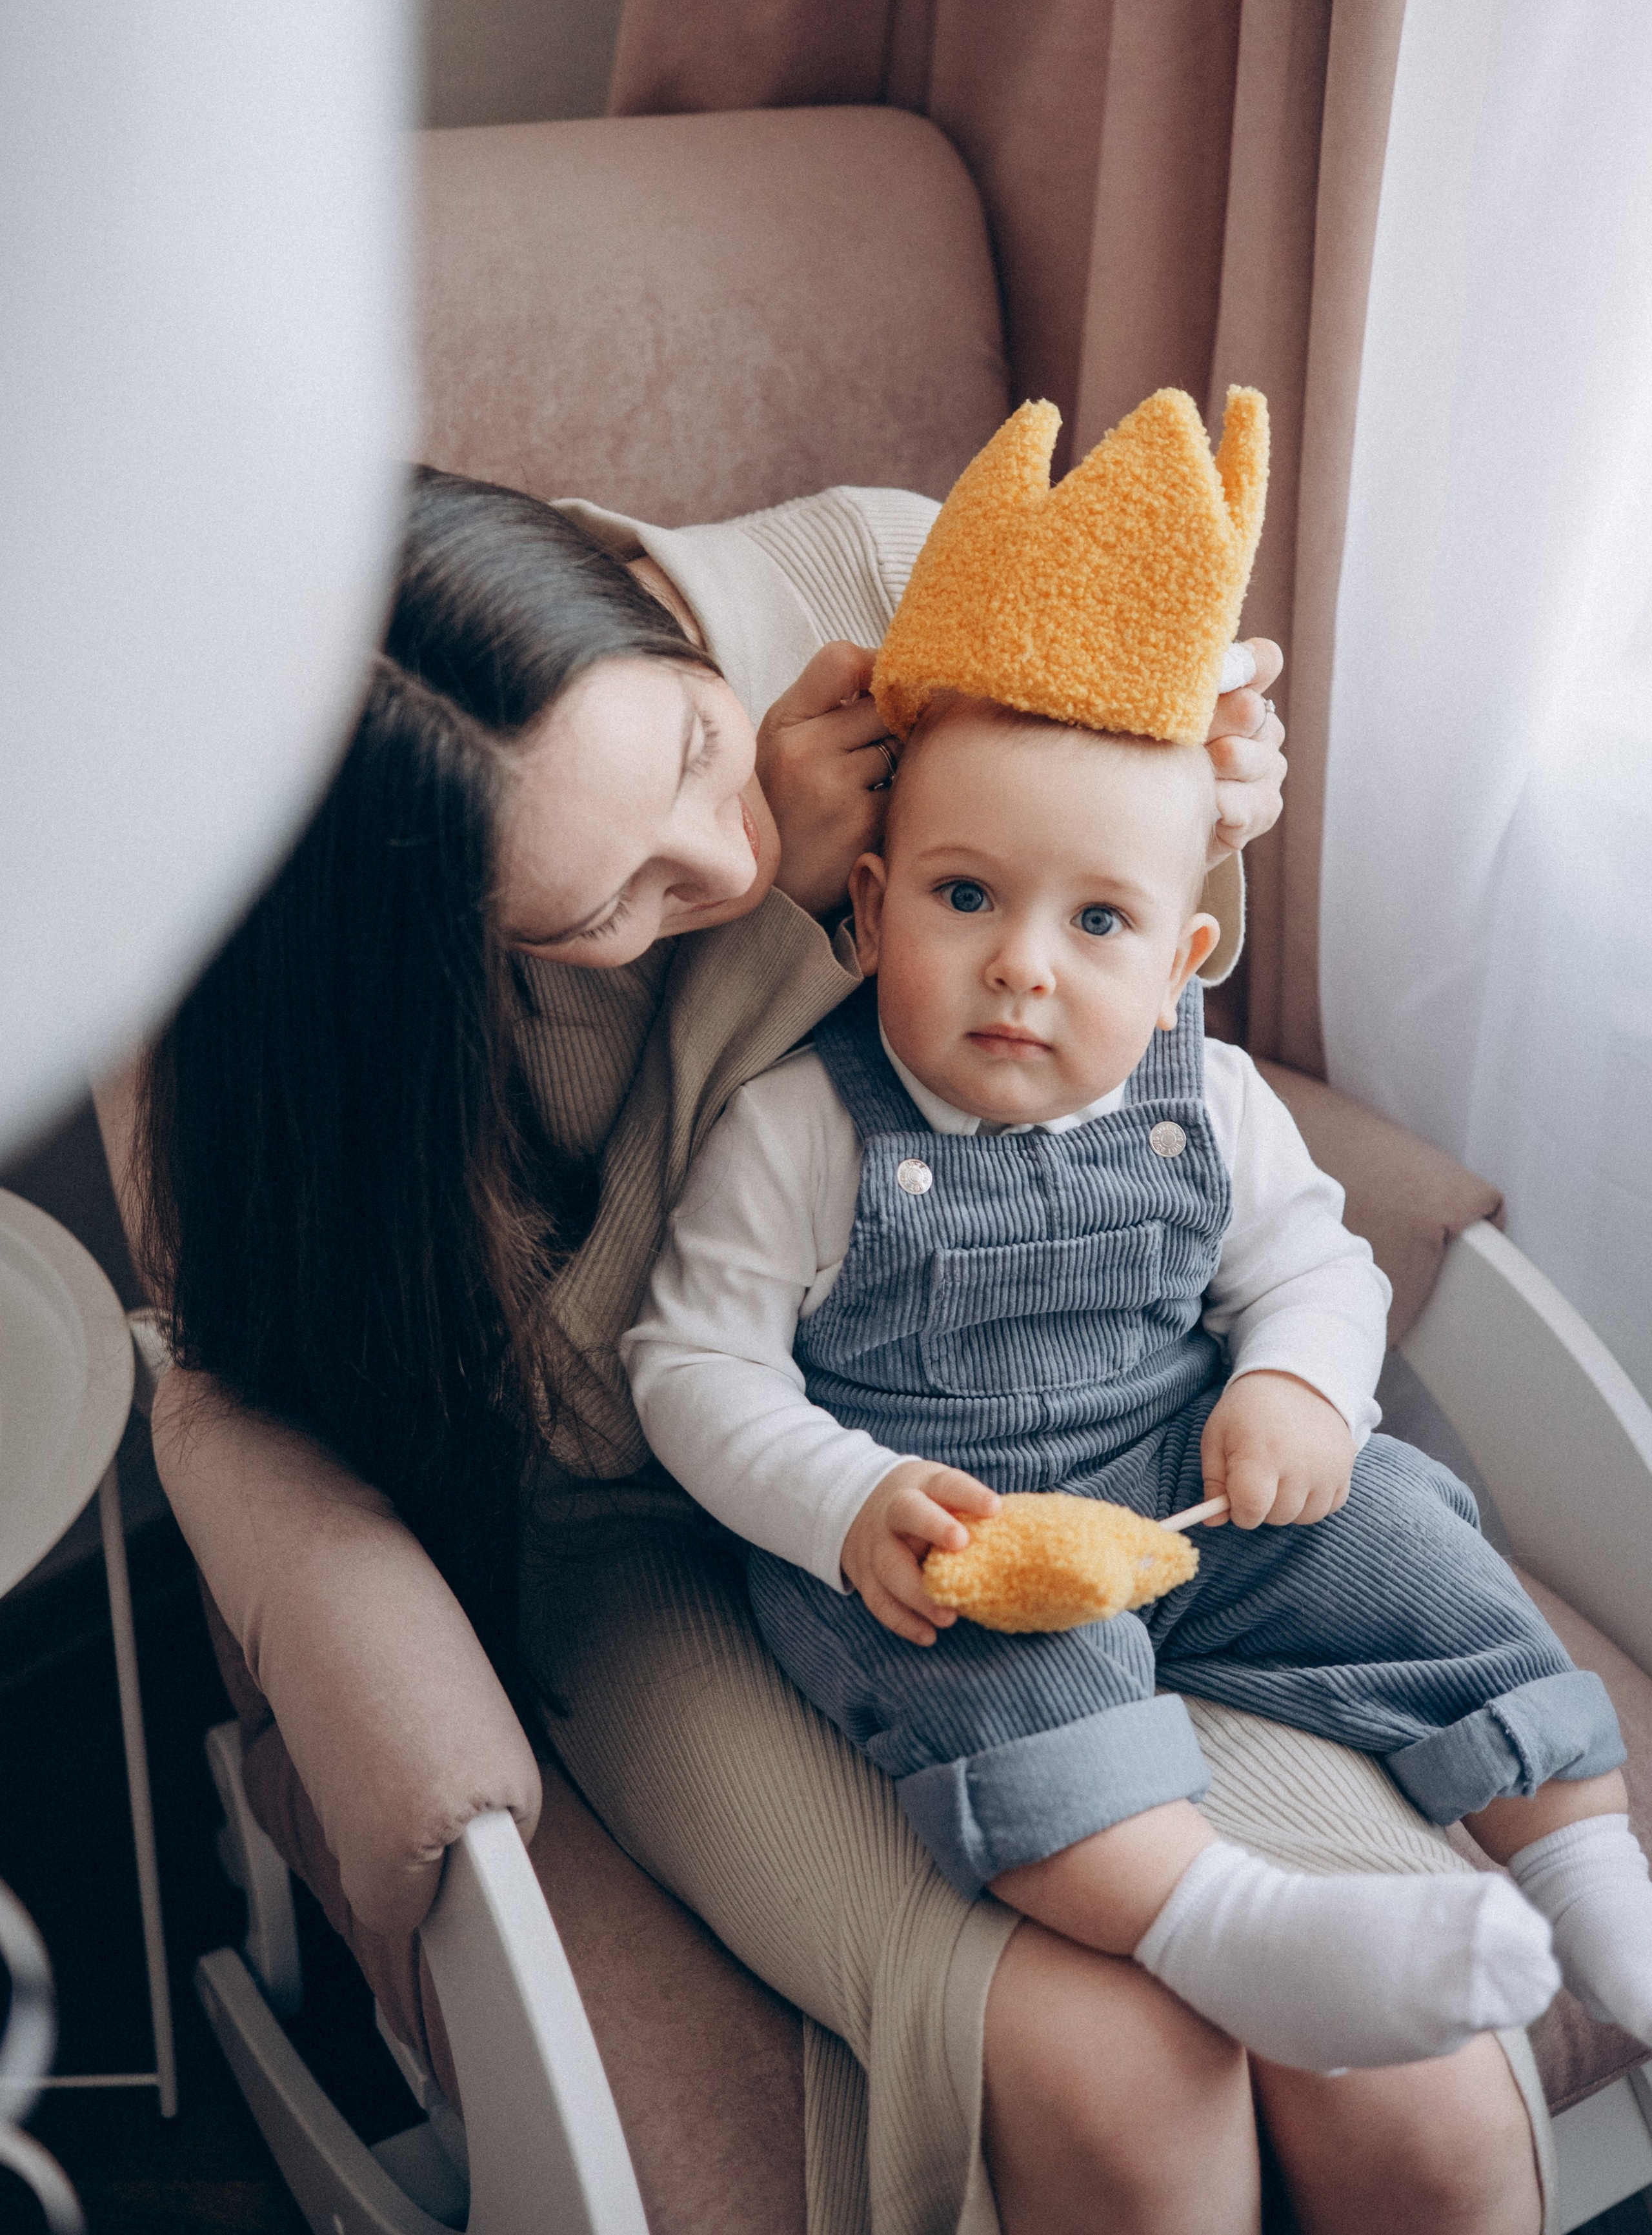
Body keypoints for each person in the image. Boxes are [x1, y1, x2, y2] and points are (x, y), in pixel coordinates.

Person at [139, 463, 1549, 2235]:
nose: (715, 860)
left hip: (1102, 1428)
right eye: (611, 913)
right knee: (1117, 2081)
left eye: (692, 763)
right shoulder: (380, 975)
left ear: (638, 605)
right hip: (677, 1534)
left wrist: (1206, 808)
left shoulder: (909, 574)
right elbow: (584, 1413)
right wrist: (772, 941)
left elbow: (1136, 1015)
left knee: (1419, 2091)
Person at [626, 687, 1649, 2073]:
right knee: (999, 1682)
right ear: (869, 913)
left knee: (1413, 1543)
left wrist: (1294, 1385)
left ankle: (1598, 1893)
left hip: (1185, 1481)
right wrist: (849, 1502)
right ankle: (1228, 1925)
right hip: (952, 1532)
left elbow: (1316, 1268)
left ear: (1182, 961)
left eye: (1096, 921)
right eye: (965, 896)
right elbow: (694, 1365)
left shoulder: (1210, 1100)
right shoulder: (803, 1126)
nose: (1020, 966)